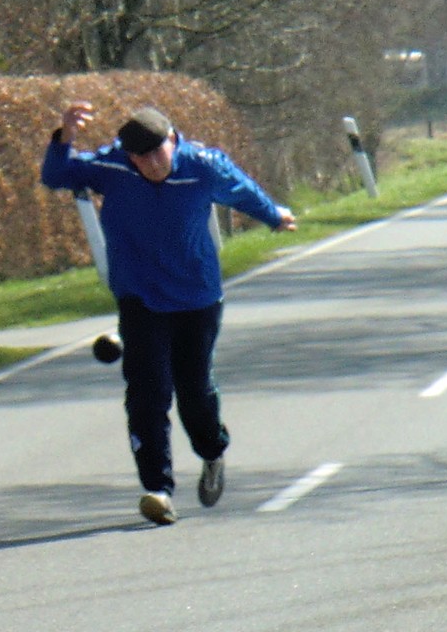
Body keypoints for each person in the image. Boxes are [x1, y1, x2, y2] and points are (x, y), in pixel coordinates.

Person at [41, 101, 296, 525]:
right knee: (147, 393)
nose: (151, 165)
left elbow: (241, 190)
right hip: (140, 296)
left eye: (157, 154)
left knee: (194, 392)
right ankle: (157, 489)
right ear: (129, 156)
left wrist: (273, 216)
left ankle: (212, 451)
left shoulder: (203, 166)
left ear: (173, 141)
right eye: (140, 158)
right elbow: (56, 175)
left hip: (197, 296)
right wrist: (64, 137)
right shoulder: (112, 168)